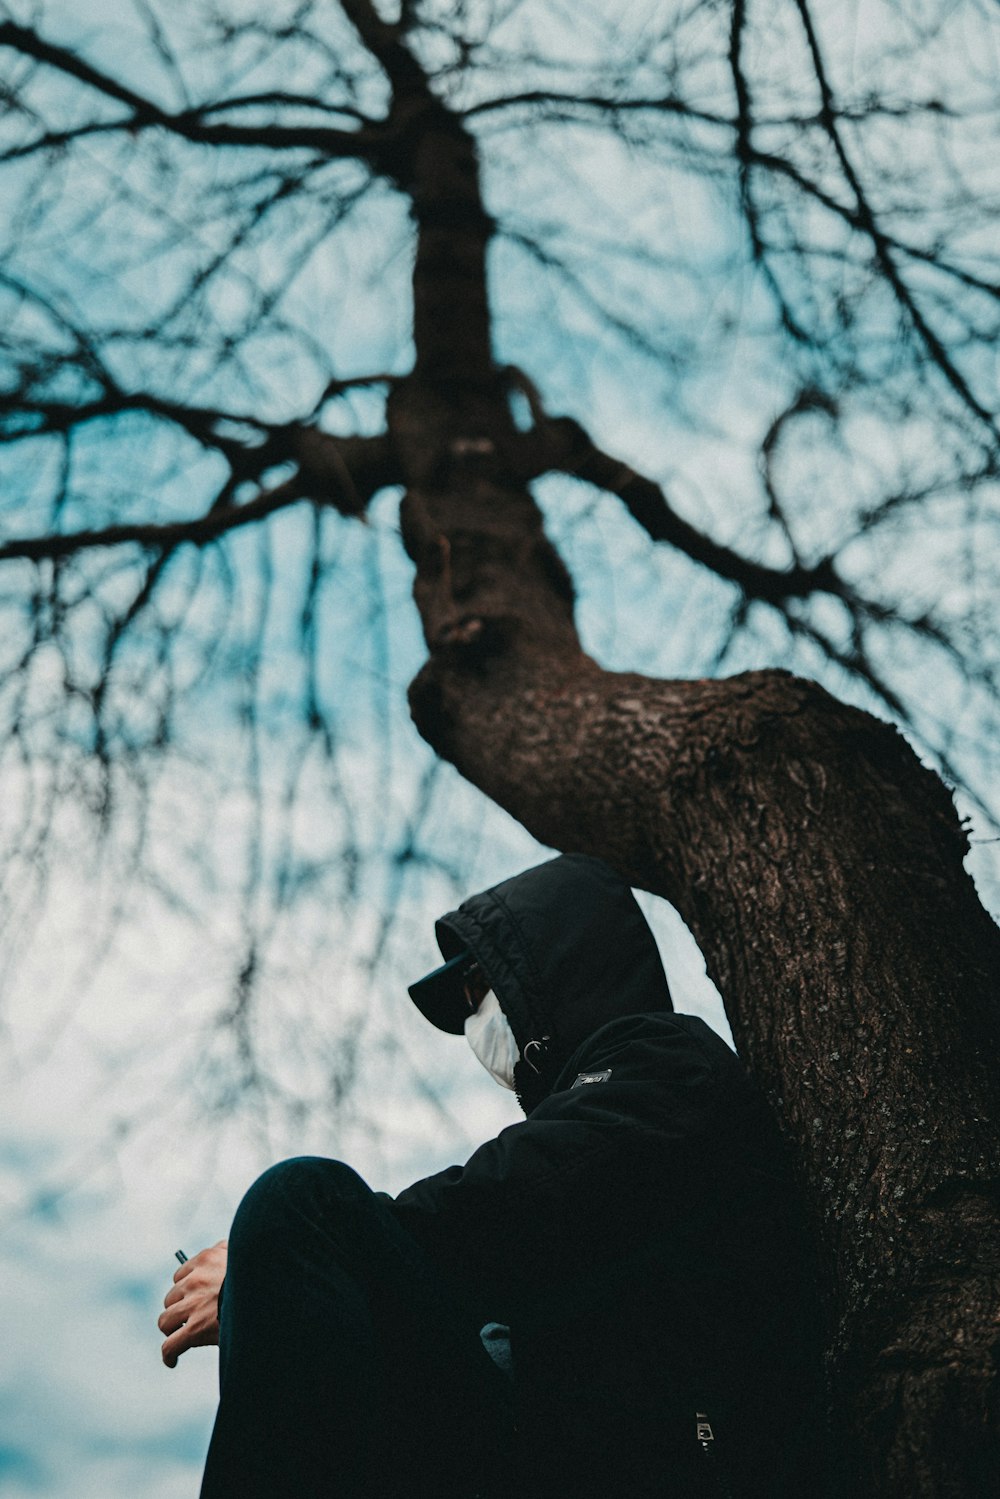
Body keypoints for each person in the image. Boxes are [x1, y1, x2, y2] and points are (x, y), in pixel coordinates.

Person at [159, 853, 828, 1498]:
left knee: (300, 1204)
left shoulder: (666, 1060)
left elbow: (514, 1200)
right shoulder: (597, 1118)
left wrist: (286, 1266)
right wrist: (283, 1302)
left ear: (548, 969)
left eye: (479, 990)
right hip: (561, 1453)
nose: (476, 1022)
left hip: (673, 1465)